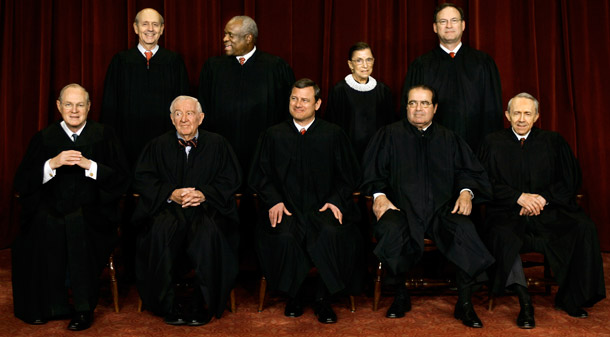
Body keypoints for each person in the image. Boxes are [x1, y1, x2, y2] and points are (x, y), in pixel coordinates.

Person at [362, 85, 495, 328]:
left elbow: (468, 172)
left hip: (442, 210)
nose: (418, 108)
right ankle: (400, 295)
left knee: (465, 230)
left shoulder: (449, 138)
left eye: (424, 103)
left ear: (435, 108)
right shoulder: (388, 135)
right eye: (413, 103)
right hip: (400, 208)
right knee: (391, 230)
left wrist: (466, 193)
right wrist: (379, 196)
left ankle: (465, 303)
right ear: (406, 107)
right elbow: (373, 173)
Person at [478, 93, 606, 329]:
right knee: (503, 236)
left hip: (547, 209)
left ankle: (572, 297)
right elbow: (484, 182)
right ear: (507, 115)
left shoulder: (553, 141)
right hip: (508, 210)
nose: (522, 118)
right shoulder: (492, 142)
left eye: (527, 113)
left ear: (537, 116)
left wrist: (543, 199)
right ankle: (524, 301)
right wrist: (518, 197)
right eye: (516, 113)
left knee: (583, 227)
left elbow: (570, 179)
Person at [12, 84, 129, 331]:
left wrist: (90, 165)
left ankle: (82, 309)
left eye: (80, 105)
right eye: (68, 104)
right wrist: (51, 164)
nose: (74, 110)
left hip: (92, 211)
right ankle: (44, 306)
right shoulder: (44, 138)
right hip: (50, 209)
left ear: (89, 107)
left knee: (78, 225)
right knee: (39, 227)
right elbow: (23, 182)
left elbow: (122, 180)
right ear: (58, 106)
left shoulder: (104, 135)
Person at [249, 78, 363, 324]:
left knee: (330, 232)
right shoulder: (273, 135)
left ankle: (323, 298)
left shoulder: (333, 134)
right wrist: (274, 201)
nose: (298, 104)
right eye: (294, 98)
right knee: (284, 235)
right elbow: (260, 176)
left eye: (305, 100)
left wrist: (335, 201)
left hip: (322, 207)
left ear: (318, 103)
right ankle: (295, 295)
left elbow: (349, 177)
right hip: (286, 208)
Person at [132, 96, 241, 326]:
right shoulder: (157, 145)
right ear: (171, 119)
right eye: (178, 114)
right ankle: (167, 303)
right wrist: (170, 193)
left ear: (200, 118)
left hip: (206, 210)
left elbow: (231, 179)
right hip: (168, 210)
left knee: (208, 233)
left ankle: (202, 302)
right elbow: (143, 179)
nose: (184, 119)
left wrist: (204, 194)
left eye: (189, 113)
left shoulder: (218, 144)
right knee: (161, 231)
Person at [198, 15, 295, 179]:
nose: (224, 39)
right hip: (222, 150)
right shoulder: (213, 67)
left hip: (263, 152)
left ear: (249, 38)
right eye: (225, 34)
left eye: (230, 35)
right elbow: (203, 108)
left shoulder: (276, 67)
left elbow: (287, 110)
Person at [401, 3, 502, 152]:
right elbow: (411, 111)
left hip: (476, 149)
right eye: (443, 21)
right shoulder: (421, 65)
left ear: (463, 25)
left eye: (454, 20)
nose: (449, 25)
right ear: (435, 27)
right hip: (431, 149)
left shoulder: (483, 63)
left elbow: (493, 110)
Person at [102, 8, 190, 168]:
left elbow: (183, 103)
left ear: (162, 29)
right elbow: (110, 105)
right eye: (145, 24)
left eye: (155, 25)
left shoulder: (174, 62)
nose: (150, 29)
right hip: (127, 140)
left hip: (166, 139)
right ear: (135, 28)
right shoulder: (121, 61)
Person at [324, 42, 396, 161]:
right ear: (350, 64)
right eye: (359, 60)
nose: (365, 65)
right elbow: (332, 128)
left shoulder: (383, 91)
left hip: (377, 157)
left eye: (368, 60)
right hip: (347, 157)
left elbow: (390, 127)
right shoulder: (339, 91)